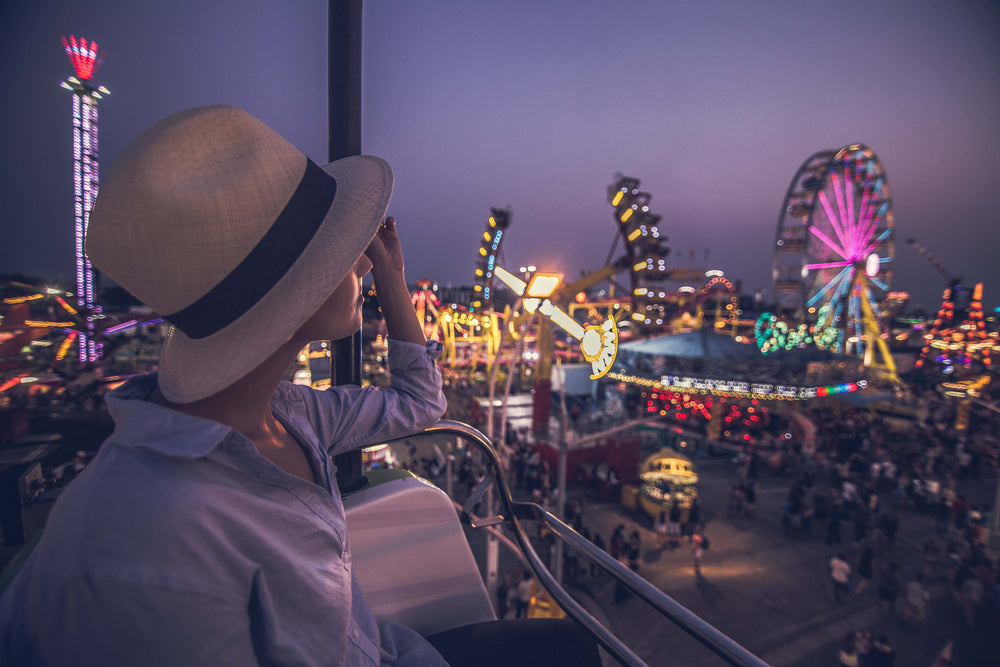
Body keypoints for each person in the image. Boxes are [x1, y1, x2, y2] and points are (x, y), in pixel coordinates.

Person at [0, 106, 449, 665]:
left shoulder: (288, 415)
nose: (362, 261)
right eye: (341, 248)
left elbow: (418, 402)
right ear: (295, 293)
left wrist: (393, 278)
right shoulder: (144, 545)